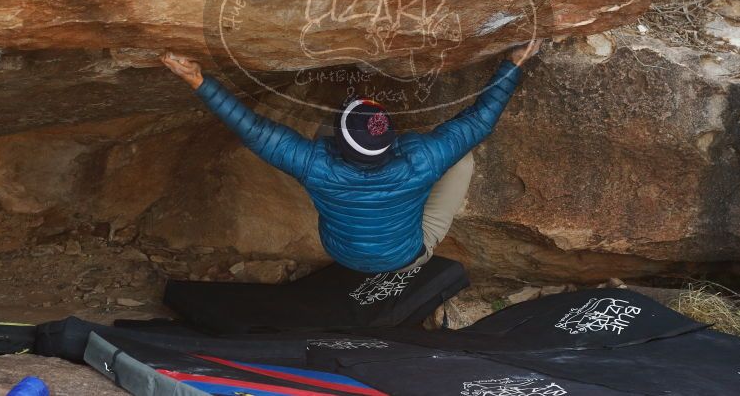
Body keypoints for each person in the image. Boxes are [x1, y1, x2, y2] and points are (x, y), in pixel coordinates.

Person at [161, 39, 542, 273]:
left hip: (341, 252)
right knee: (461, 157)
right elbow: (478, 124)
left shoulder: (315, 163)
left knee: (312, 142)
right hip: (408, 254)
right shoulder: (423, 157)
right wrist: (514, 62)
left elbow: (254, 129)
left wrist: (197, 79)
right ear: (391, 139)